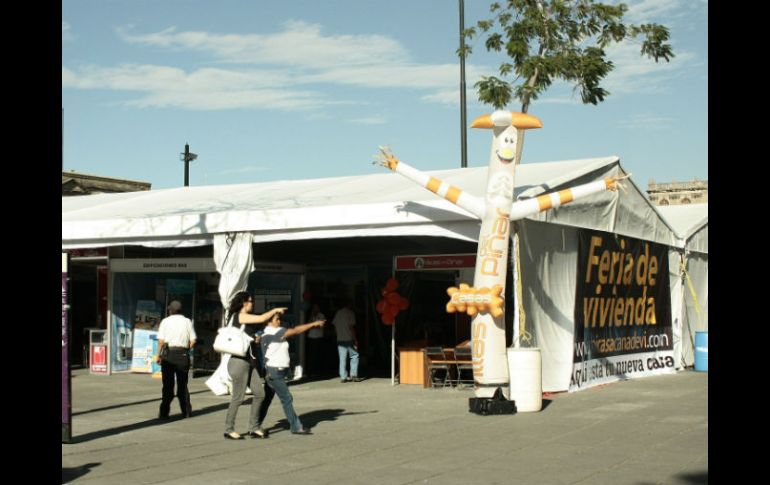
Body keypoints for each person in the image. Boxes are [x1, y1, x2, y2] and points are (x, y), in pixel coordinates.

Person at [223, 291, 287, 440]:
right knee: (238, 398)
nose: (252, 303)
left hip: (248, 361)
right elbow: (262, 318)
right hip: (238, 362)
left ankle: (254, 427)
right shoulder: (239, 315)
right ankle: (229, 429)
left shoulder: (242, 319)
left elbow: (245, 338)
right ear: (244, 303)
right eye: (250, 301)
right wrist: (275, 310)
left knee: (260, 393)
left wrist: (254, 339)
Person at [259, 311, 325, 435]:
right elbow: (295, 330)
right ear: (268, 321)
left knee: (267, 399)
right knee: (287, 398)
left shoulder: (275, 331)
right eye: (277, 319)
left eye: (280, 319)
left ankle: (255, 425)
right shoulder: (271, 333)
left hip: (277, 371)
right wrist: (314, 324)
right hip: (274, 371)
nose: (279, 321)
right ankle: (295, 426)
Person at [155, 300, 196, 420]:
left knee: (167, 385)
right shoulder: (187, 321)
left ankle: (164, 412)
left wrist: (158, 355)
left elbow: (161, 341)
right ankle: (186, 412)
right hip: (183, 354)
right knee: (183, 385)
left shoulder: (165, 321)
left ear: (171, 310)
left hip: (168, 354)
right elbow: (193, 340)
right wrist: (186, 350)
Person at [332, 299, 362, 383]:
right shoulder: (350, 313)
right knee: (354, 356)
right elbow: (351, 327)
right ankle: (354, 375)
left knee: (342, 358)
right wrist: (355, 339)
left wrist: (337, 334)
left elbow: (334, 325)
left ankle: (343, 377)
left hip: (340, 339)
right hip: (349, 338)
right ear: (350, 305)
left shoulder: (338, 313)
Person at [306, 303, 326, 377]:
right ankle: (310, 371)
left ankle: (317, 371)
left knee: (317, 354)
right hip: (311, 337)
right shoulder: (311, 315)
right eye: (314, 308)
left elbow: (321, 326)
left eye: (316, 308)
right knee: (311, 355)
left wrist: (313, 326)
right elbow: (308, 325)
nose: (315, 309)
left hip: (318, 337)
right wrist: (312, 318)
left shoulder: (321, 315)